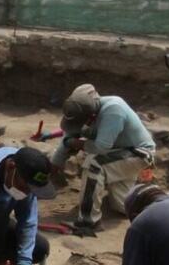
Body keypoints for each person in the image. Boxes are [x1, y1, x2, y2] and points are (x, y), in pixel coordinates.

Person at [51, 84, 155, 236]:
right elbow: (69, 135)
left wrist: (76, 144)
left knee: (94, 164)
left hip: (138, 154)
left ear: (91, 115)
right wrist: (55, 164)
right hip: (119, 153)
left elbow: (101, 148)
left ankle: (88, 222)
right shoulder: (80, 108)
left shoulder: (113, 110)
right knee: (123, 207)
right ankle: (156, 204)